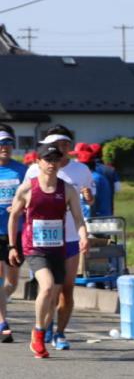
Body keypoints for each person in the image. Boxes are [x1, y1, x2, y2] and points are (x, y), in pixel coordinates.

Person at [7, 143, 88, 358]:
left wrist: (83, 236)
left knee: (53, 296)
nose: (52, 164)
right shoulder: (27, 188)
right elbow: (14, 216)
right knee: (47, 286)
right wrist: (12, 246)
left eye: (55, 160)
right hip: (33, 247)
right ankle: (38, 333)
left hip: (57, 248)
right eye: (47, 159)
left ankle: (42, 334)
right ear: (38, 162)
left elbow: (79, 219)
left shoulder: (67, 189)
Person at [24, 125, 94, 351]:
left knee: (66, 289)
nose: (61, 149)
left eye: (65, 144)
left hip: (71, 238)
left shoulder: (81, 170)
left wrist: (89, 197)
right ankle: (44, 328)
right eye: (56, 146)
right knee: (48, 289)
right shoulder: (35, 170)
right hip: (42, 241)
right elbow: (25, 200)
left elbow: (87, 202)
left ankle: (60, 333)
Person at [0, 124, 23, 343]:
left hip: (15, 232)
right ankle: (3, 324)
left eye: (8, 143)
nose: (4, 147)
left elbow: (31, 196)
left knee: (12, 282)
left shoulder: (21, 170)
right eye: (1, 144)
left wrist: (20, 206)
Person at [74, 146, 112, 220]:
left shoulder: (93, 179)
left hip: (97, 221)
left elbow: (90, 205)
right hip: (102, 219)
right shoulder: (97, 176)